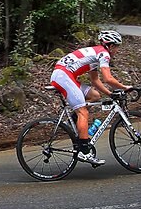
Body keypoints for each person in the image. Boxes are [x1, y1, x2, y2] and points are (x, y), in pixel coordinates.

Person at [50, 30, 131, 165]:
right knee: (83, 111)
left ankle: (75, 121)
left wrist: (110, 94)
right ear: (110, 46)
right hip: (63, 76)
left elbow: (95, 81)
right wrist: (125, 87)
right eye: (117, 46)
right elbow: (108, 78)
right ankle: (84, 151)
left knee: (95, 95)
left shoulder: (96, 53)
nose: (117, 50)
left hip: (65, 75)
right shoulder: (104, 54)